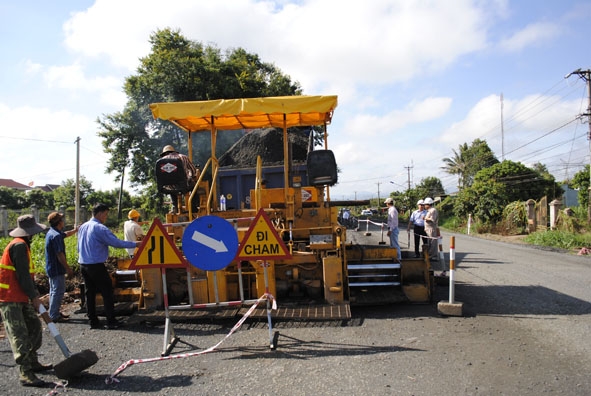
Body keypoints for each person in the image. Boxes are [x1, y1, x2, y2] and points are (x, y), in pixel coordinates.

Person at [0, 215, 53, 387]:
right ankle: (26, 373)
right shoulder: (19, 246)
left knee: (35, 328)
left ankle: (33, 362)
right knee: (20, 336)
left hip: (20, 295)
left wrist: (33, 294)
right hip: (9, 298)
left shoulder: (23, 245)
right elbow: (22, 276)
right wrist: (35, 298)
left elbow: (27, 277)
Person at [78, 203, 141, 330]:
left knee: (89, 293)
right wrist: (136, 244)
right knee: (107, 292)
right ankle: (111, 321)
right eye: (106, 214)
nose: (106, 217)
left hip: (84, 264)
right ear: (100, 213)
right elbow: (116, 243)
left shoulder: (83, 226)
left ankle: (93, 321)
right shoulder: (100, 228)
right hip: (96, 265)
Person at [44, 212, 77, 323]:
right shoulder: (56, 236)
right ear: (59, 222)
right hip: (57, 268)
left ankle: (54, 312)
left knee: (54, 290)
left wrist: (76, 230)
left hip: (51, 267)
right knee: (58, 291)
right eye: (62, 220)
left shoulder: (52, 233)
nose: (63, 222)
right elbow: (60, 254)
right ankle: (53, 315)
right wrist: (68, 268)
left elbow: (66, 234)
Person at [159, 145, 199, 213]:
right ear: (174, 151)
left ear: (164, 154)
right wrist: (192, 177)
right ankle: (193, 207)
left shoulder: (160, 161)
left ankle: (175, 207)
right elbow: (193, 171)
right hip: (184, 186)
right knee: (194, 185)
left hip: (169, 188)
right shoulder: (183, 157)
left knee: (171, 187)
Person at [423, 197, 439, 263]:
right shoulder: (429, 211)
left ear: (428, 204)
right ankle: (430, 255)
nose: (424, 206)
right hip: (428, 229)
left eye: (425, 204)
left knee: (433, 243)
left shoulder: (433, 210)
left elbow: (433, 219)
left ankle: (434, 256)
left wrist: (425, 218)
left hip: (431, 229)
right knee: (430, 243)